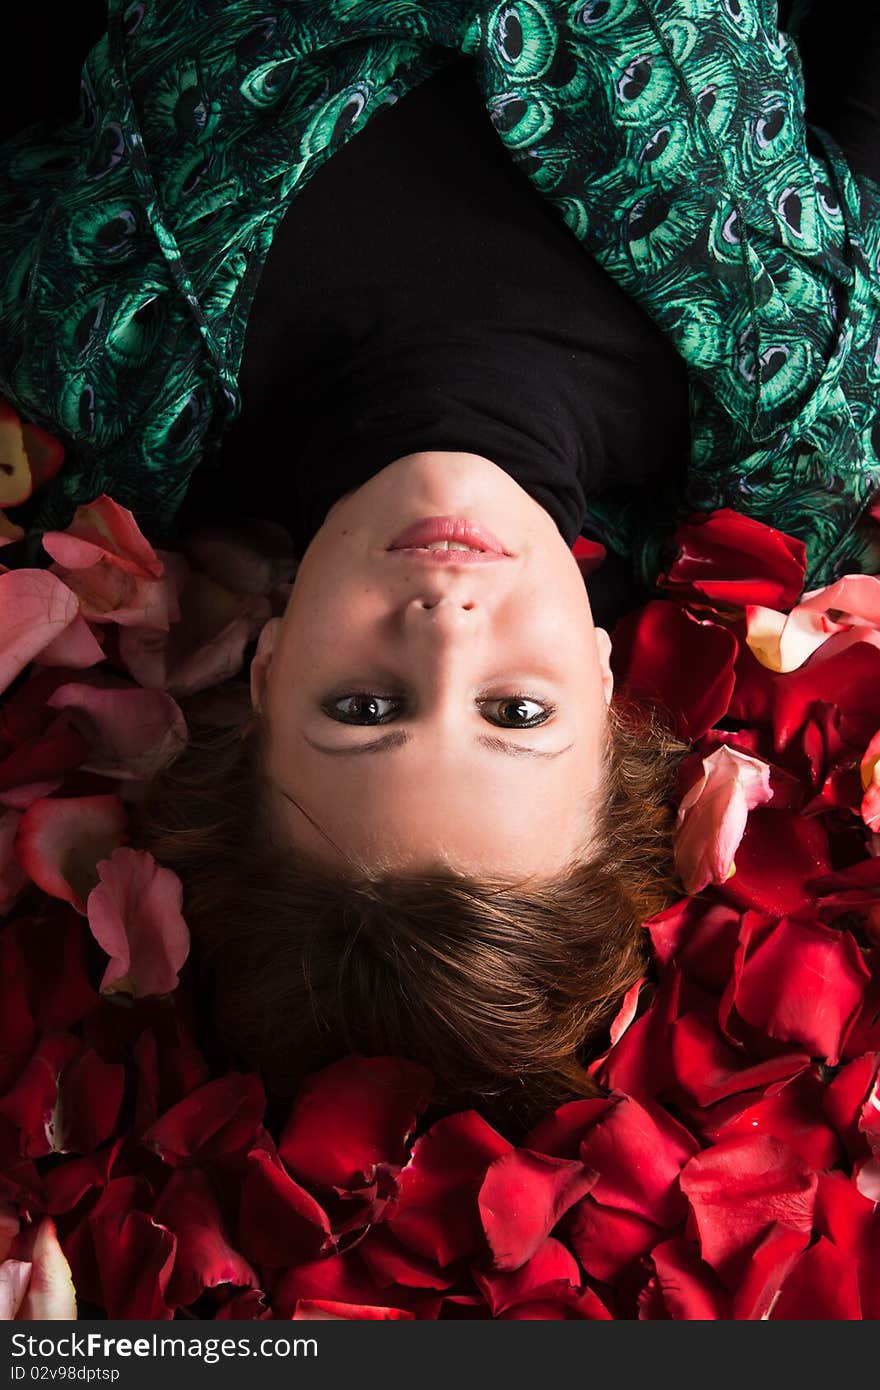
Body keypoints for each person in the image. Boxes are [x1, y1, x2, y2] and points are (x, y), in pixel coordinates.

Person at [1, 0, 878, 1125]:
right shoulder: (796, 418)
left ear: (265, 677)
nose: (447, 621)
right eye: (514, 712)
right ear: (609, 694)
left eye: (364, 705)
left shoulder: (101, 357)